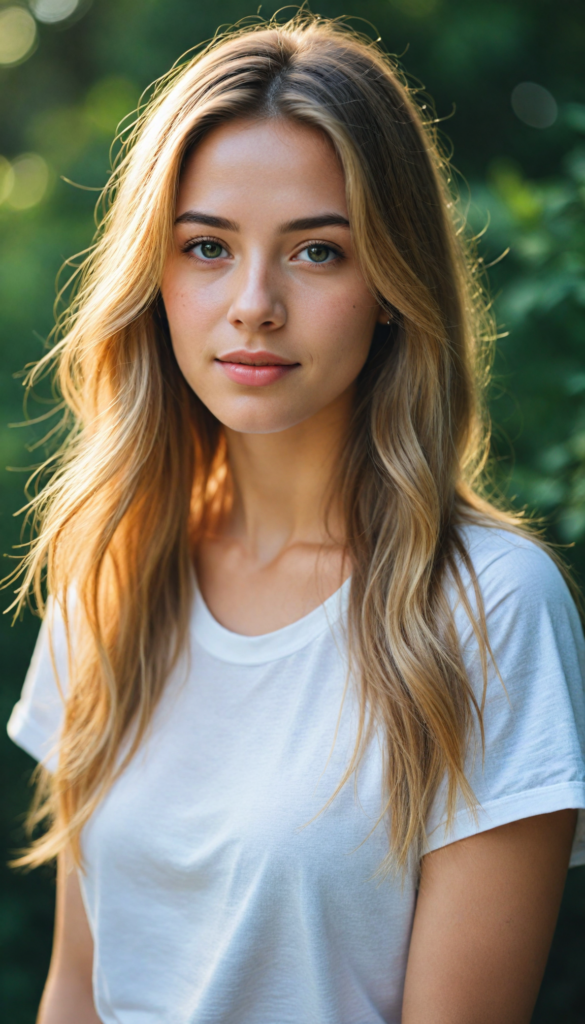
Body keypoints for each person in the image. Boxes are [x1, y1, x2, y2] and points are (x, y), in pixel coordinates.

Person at [6, 14, 585, 1024]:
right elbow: (77, 989)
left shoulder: (487, 607)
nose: (253, 304)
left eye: (317, 251)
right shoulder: (112, 568)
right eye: (206, 248)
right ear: (155, 278)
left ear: (393, 286)